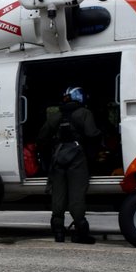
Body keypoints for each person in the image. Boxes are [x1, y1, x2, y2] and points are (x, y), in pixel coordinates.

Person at [38, 86, 101, 244]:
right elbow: (92, 134)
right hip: (77, 159)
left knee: (58, 196)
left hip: (58, 158)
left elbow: (41, 138)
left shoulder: (54, 116)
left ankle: (58, 232)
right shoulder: (84, 113)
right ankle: (81, 232)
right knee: (76, 197)